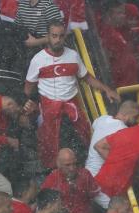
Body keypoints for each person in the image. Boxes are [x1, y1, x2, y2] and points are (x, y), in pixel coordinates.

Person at [24, 20, 119, 169]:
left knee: (80, 144)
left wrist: (107, 89)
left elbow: (86, 77)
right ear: (48, 36)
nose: (57, 40)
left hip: (72, 110)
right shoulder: (38, 59)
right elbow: (28, 88)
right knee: (51, 148)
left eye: (61, 36)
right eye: (54, 36)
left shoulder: (73, 56)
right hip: (50, 113)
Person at [41, 148, 105, 213]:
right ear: (58, 164)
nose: (72, 168)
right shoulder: (52, 180)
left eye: (74, 164)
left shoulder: (85, 174)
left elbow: (97, 197)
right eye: (67, 165)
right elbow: (45, 208)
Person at [86, 100, 139, 178]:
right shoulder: (124, 130)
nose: (137, 120)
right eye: (135, 117)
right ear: (127, 115)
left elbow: (92, 130)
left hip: (88, 172)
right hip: (102, 176)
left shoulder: (102, 119)